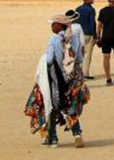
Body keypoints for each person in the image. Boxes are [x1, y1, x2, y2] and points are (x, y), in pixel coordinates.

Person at [26, 14, 88, 148]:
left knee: (51, 106)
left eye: (53, 24)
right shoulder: (75, 38)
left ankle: (52, 138)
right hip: (73, 78)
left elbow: (49, 60)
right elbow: (80, 59)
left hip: (56, 78)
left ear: (60, 25)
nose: (51, 26)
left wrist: (44, 60)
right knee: (70, 106)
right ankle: (77, 133)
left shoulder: (54, 40)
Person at [75, 0, 98, 79]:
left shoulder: (78, 8)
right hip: (88, 33)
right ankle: (85, 73)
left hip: (78, 33)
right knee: (88, 54)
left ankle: (78, 73)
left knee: (80, 54)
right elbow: (92, 23)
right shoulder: (91, 10)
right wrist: (95, 36)